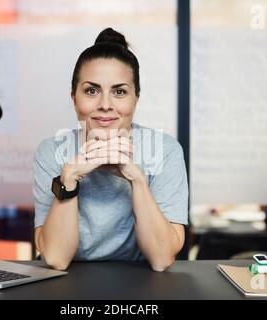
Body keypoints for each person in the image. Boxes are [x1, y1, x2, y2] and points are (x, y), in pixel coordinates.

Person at [33, 28, 188, 272]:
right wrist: (69, 178)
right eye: (91, 91)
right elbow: (55, 258)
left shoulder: (165, 150)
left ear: (136, 98)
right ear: (74, 97)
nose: (105, 105)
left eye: (119, 92)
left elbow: (161, 258)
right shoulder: (51, 152)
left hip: (141, 284)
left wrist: (137, 180)